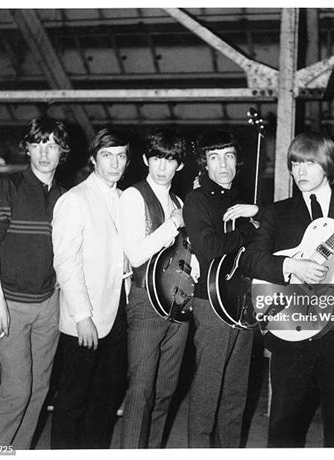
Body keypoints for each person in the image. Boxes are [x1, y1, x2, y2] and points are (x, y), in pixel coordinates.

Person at [242, 132, 334, 447]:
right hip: (290, 326)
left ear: (328, 166)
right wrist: (291, 267)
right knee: (283, 424)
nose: (300, 172)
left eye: (309, 163)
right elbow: (251, 261)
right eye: (295, 164)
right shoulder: (277, 212)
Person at [0, 117, 71, 449]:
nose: (45, 152)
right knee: (15, 392)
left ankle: (15, 453)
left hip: (48, 307)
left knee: (38, 390)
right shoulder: (7, 188)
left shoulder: (65, 197)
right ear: (28, 148)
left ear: (62, 151)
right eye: (38, 144)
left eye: (52, 145)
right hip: (12, 305)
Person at [50, 127, 131, 449]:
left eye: (121, 156)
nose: (114, 163)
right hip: (85, 319)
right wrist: (82, 316)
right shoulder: (74, 200)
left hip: (117, 314)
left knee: (105, 400)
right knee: (72, 400)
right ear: (93, 160)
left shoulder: (126, 199)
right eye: (107, 156)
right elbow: (66, 262)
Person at [183, 129, 261, 448]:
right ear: (205, 164)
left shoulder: (239, 200)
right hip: (212, 304)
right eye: (215, 158)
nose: (223, 165)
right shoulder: (197, 199)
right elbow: (209, 247)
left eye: (228, 156)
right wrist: (248, 230)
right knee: (208, 389)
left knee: (235, 391)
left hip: (241, 302)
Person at [118, 128, 191, 448]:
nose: (163, 167)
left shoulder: (179, 200)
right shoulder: (133, 196)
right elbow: (135, 254)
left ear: (180, 166)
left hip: (176, 303)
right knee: (141, 391)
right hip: (145, 303)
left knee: (165, 391)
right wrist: (174, 223)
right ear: (147, 160)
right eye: (157, 158)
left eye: (170, 159)